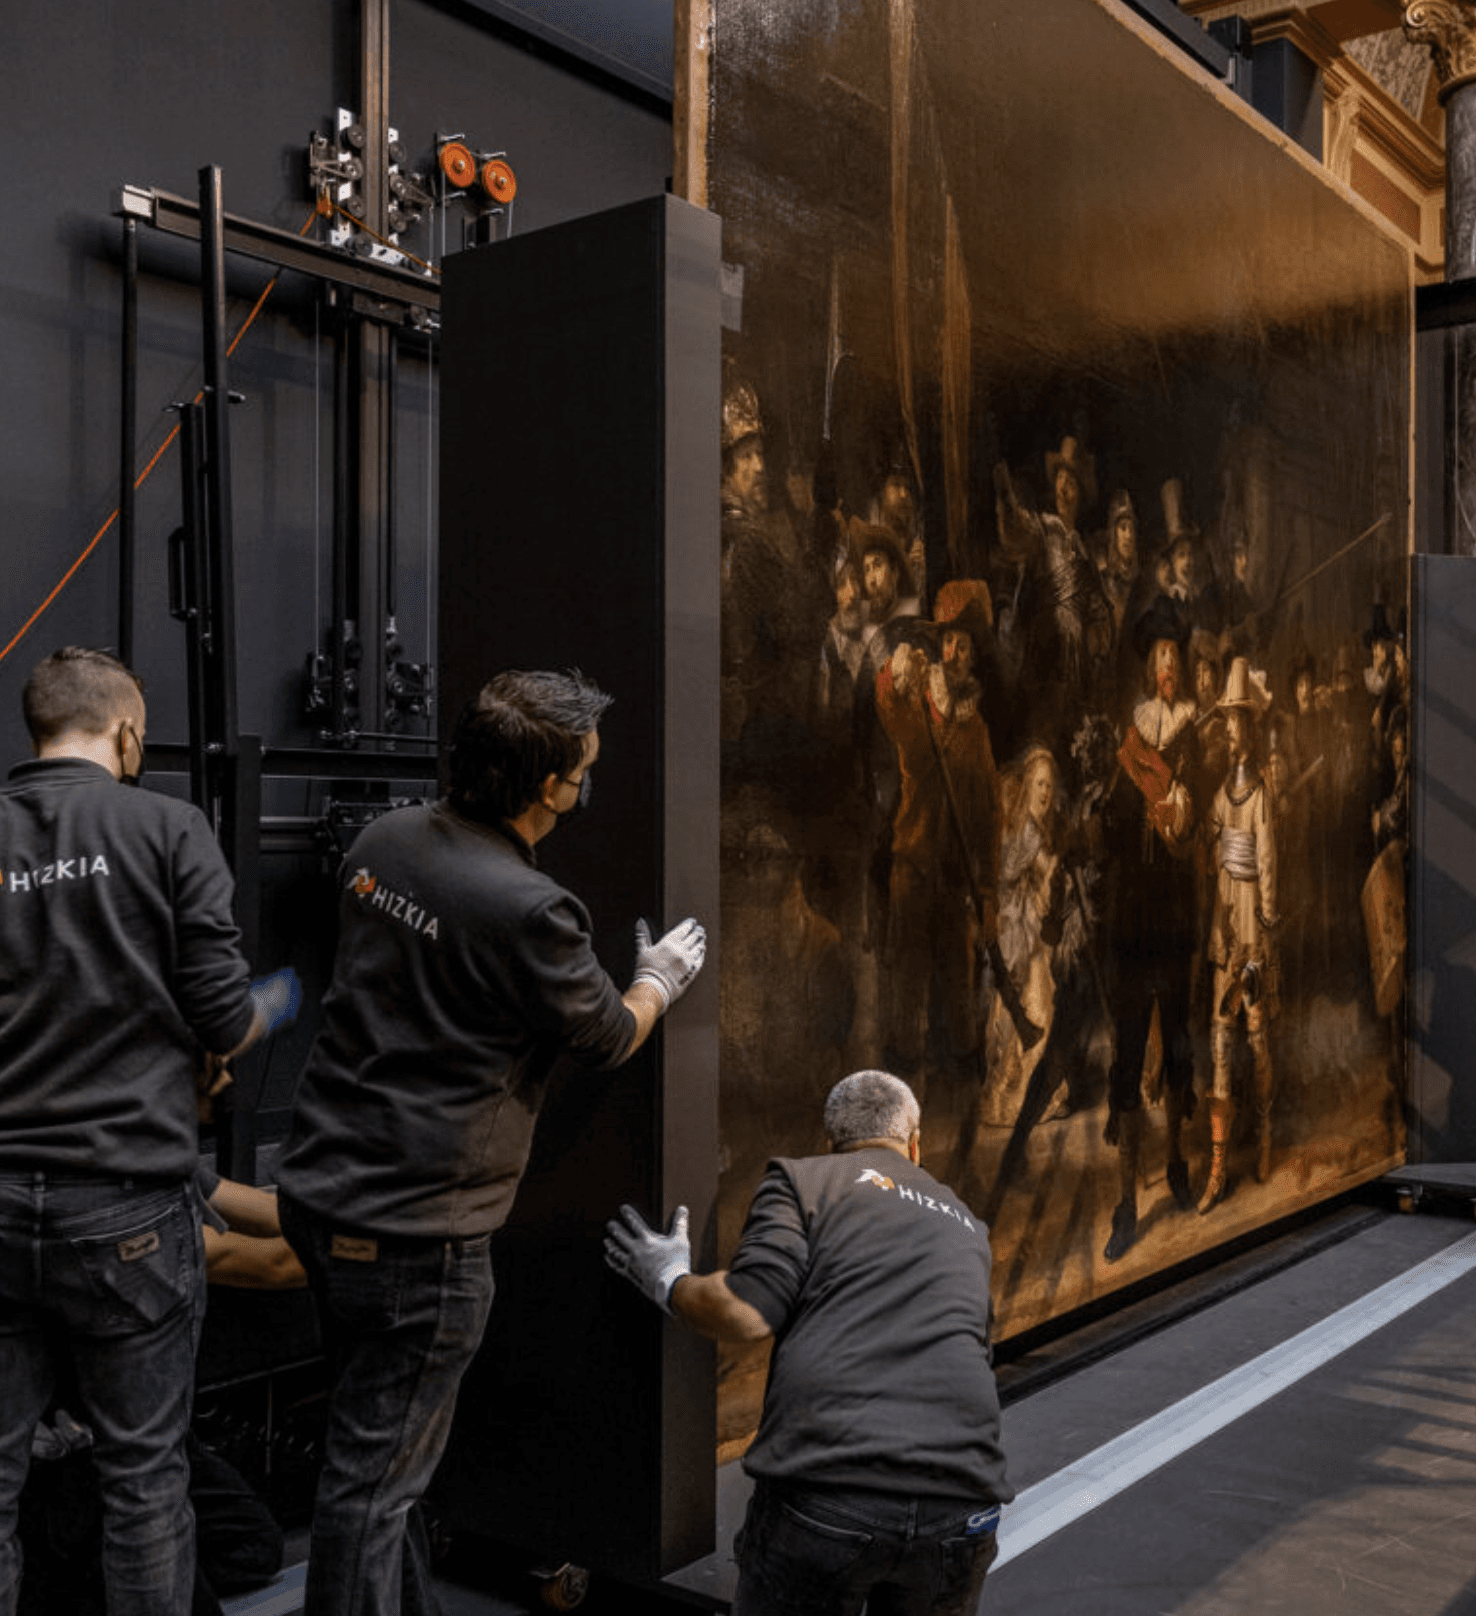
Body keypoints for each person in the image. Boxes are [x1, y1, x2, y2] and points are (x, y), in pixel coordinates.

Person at [275, 668, 706, 1616]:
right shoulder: (530, 910)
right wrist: (658, 980)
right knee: (372, 1487)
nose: (590, 782)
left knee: (374, 1453)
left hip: (321, 1196)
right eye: (584, 769)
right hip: (420, 1234)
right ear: (549, 787)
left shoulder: (382, 841)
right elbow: (605, 1036)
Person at [0, 646, 297, 1616]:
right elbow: (222, 1016)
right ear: (128, 734)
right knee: (143, 1482)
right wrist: (277, 999)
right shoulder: (165, 826)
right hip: (125, 1209)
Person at [605, 1070, 1011, 1616]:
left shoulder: (809, 1179)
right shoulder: (966, 1222)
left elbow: (747, 1312)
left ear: (833, 1140)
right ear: (917, 1145)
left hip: (833, 1491)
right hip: (965, 1501)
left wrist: (669, 1280)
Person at [1099, 601, 1202, 1263]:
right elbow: (1110, 826)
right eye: (1158, 656)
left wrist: (1178, 816)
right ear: (1148, 665)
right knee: (1129, 1053)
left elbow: (1197, 824)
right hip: (1130, 922)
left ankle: (1177, 1165)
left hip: (1173, 916)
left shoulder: (1194, 734)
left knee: (1179, 1042)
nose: (1167, 667)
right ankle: (1127, 1201)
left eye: (1175, 657)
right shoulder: (1127, 736)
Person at [1200, 659, 1279, 1210]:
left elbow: (1268, 866)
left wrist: (1265, 932)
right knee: (1218, 1040)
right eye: (1226, 722)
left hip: (1251, 924)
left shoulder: (1260, 799)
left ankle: (1267, 1133)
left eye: (1235, 722)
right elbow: (1205, 836)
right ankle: (1219, 1164)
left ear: (1250, 730)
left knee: (1255, 1033)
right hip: (1224, 923)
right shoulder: (1223, 794)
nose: (1230, 730)